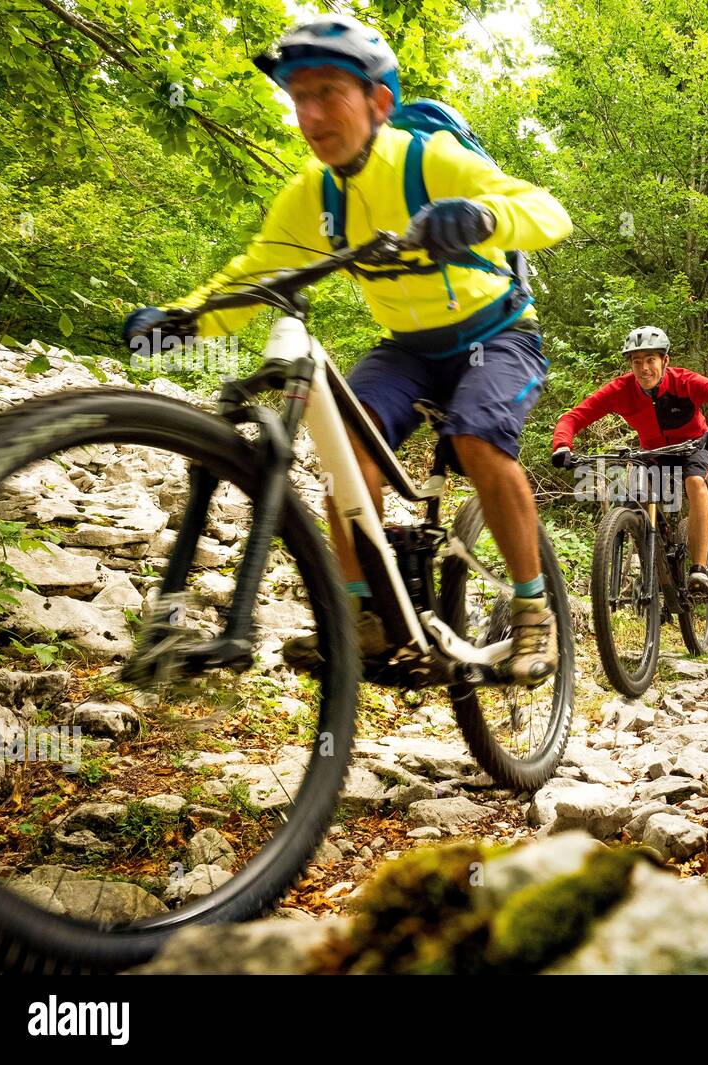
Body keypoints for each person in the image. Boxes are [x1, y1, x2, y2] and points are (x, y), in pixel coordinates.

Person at [121, 14, 572, 685]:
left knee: (478, 439)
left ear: (378, 101)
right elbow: (256, 274)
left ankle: (535, 612)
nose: (310, 114)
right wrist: (186, 320)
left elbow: (548, 214)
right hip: (408, 348)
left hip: (497, 335)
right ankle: (364, 615)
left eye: (328, 92)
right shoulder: (316, 192)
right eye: (298, 97)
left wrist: (481, 215)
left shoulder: (429, 161)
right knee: (344, 446)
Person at [551, 326, 708, 593]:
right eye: (637, 362)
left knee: (695, 482)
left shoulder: (685, 382)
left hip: (694, 446)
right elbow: (573, 417)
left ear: (665, 360)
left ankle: (699, 569)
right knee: (633, 497)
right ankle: (651, 559)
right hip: (653, 453)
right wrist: (562, 445)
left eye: (650, 360)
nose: (644, 368)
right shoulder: (621, 390)